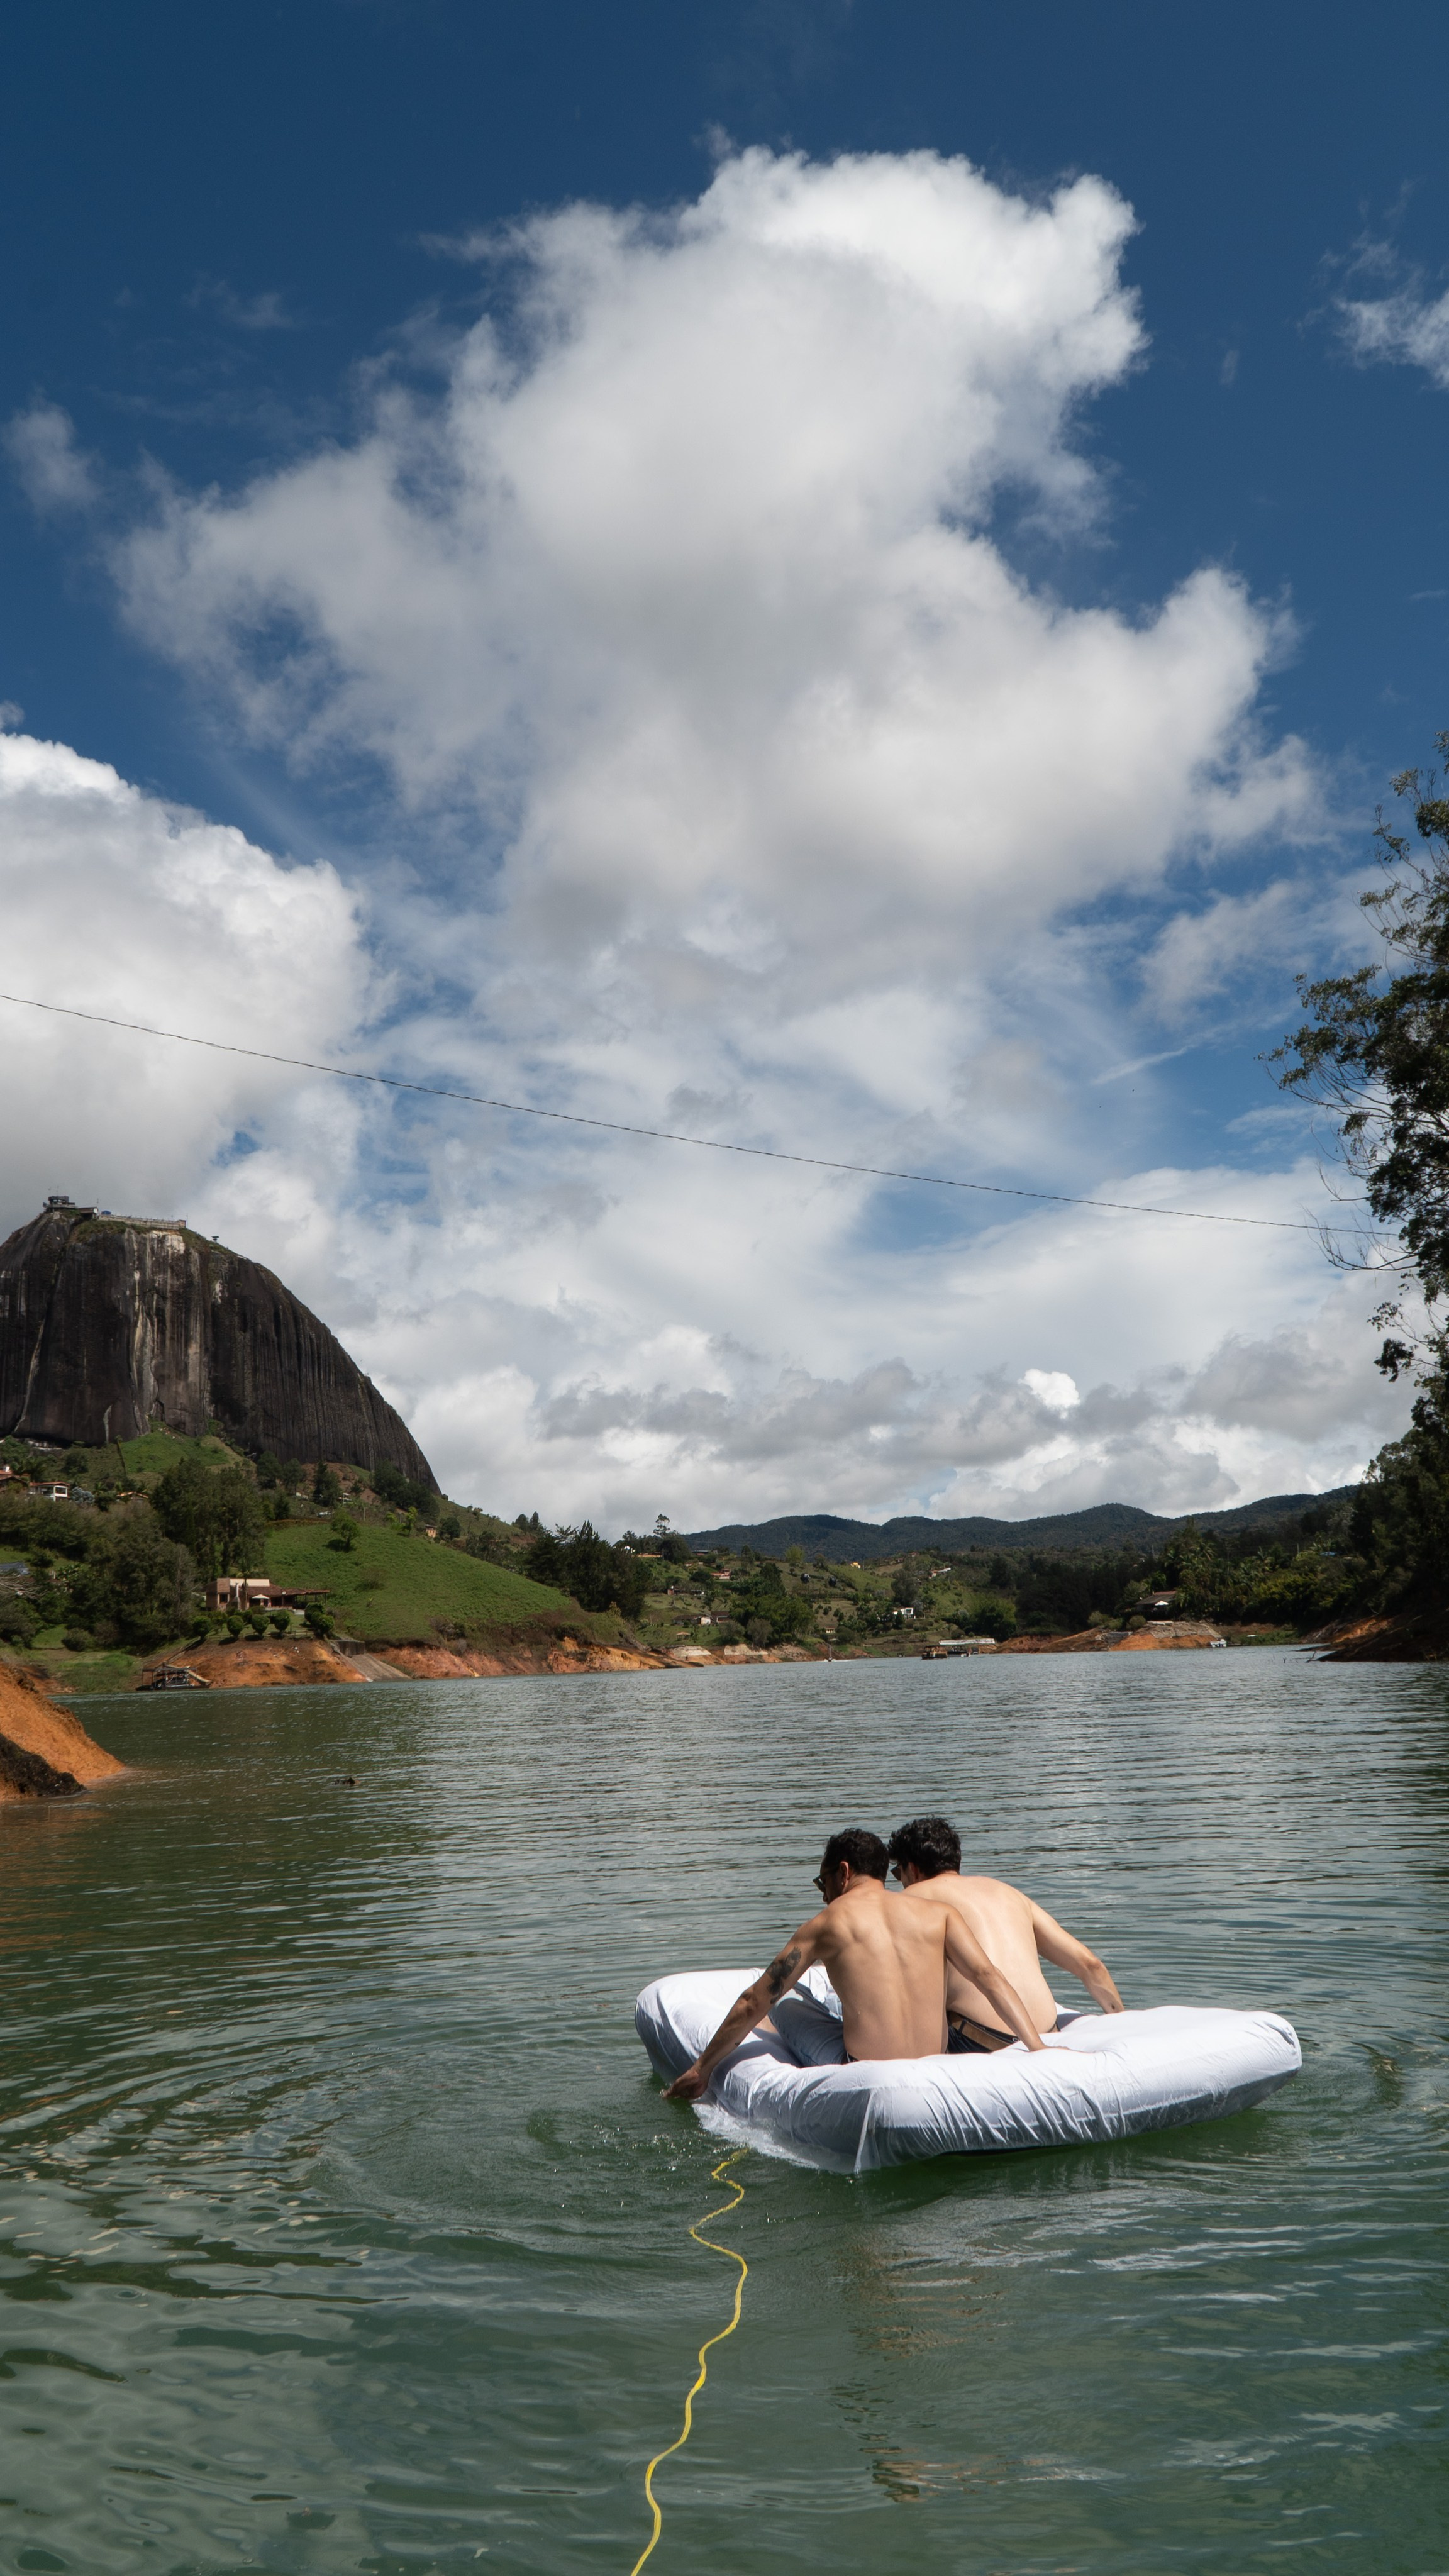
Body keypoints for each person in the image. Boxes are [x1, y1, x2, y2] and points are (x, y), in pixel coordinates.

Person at [662, 1827, 1049, 2101]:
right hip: (937, 2060)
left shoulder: (825, 1925)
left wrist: (703, 2068)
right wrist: (1038, 2048)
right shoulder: (939, 1914)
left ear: (844, 1873)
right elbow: (988, 1977)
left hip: (863, 2069)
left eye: (822, 1883)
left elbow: (753, 2001)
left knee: (788, 2010)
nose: (824, 1895)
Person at [887, 1815, 1123, 2050]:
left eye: (899, 1873)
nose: (901, 1882)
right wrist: (1125, 2023)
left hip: (980, 2041)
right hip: (1048, 2032)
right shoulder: (1010, 1894)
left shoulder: (913, 1899)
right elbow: (1091, 1966)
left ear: (914, 1869)